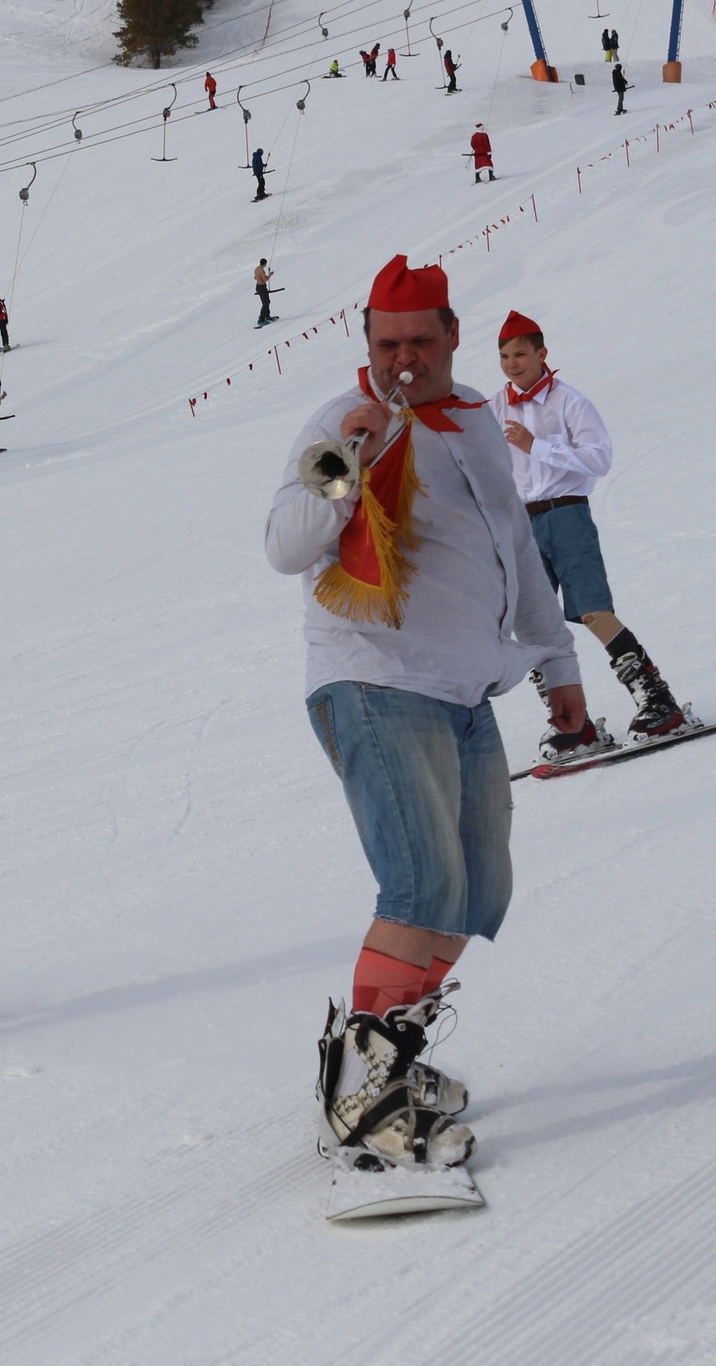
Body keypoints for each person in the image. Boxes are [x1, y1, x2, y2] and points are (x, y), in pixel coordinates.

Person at [266, 254, 584, 1175]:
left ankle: (393, 1061)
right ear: (367, 345)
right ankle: (359, 1101)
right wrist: (348, 462)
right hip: (373, 679)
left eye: (419, 340)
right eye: (386, 343)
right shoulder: (340, 421)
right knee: (420, 886)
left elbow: (515, 548)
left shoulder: (478, 419)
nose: (404, 358)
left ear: (451, 336)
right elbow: (286, 545)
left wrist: (556, 661)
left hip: (466, 688)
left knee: (479, 891)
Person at [489, 309, 687, 750]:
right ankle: (571, 723)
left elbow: (598, 459)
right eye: (504, 356)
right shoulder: (493, 407)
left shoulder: (569, 402)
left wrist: (536, 445)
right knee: (532, 624)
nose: (512, 363)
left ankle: (657, 699)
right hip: (521, 524)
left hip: (567, 513)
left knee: (592, 608)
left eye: (520, 353)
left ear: (542, 354)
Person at [255, 258, 276, 326]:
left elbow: (255, 277)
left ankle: (267, 316)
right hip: (261, 288)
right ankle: (261, 319)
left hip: (259, 287)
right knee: (265, 303)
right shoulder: (262, 270)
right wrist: (269, 275)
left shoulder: (257, 269)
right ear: (265, 264)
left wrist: (263, 277)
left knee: (267, 302)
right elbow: (265, 280)